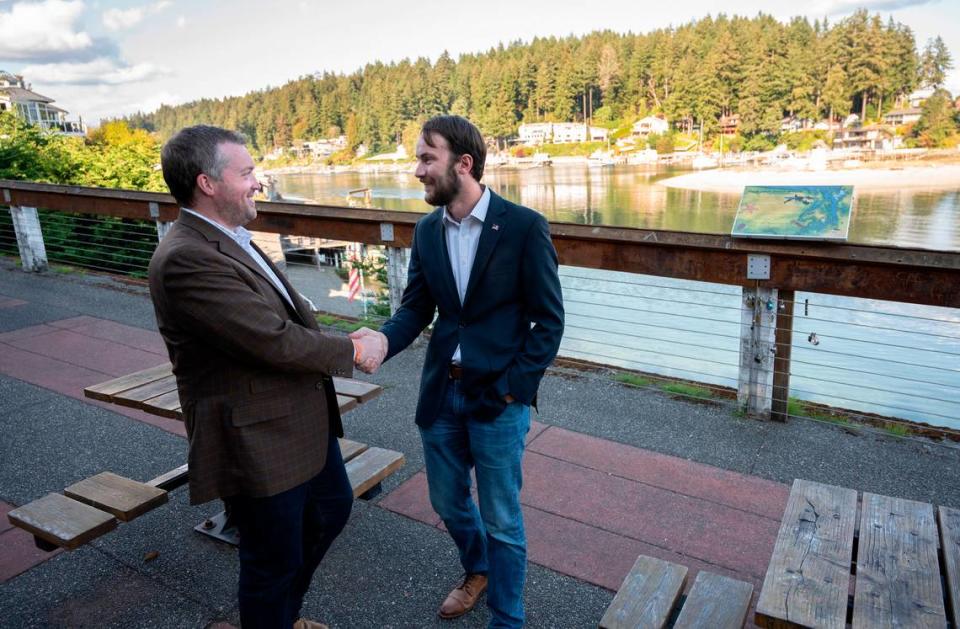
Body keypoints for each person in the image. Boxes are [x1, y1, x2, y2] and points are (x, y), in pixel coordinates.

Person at [148, 125, 384, 629]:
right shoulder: (186, 256)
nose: (260, 181)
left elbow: (289, 321)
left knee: (328, 512)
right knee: (270, 561)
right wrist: (353, 350)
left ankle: (281, 618)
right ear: (207, 183)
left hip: (298, 421)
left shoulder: (229, 238)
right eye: (248, 172)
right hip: (256, 437)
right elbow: (271, 338)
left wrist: (344, 341)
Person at [352, 115, 564, 628]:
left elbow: (549, 321)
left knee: (502, 518)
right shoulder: (426, 231)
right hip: (441, 395)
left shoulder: (523, 226)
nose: (417, 170)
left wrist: (515, 389)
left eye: (427, 158)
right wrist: (382, 337)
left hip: (498, 398)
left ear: (463, 164)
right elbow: (415, 309)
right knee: (446, 500)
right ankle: (478, 568)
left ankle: (506, 620)